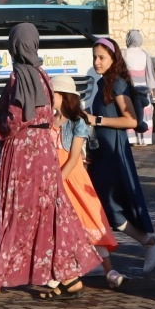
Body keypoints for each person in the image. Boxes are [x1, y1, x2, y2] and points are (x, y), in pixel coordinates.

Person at [0, 25, 102, 299]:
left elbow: (15, 120)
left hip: (19, 155)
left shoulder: (18, 78)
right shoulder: (43, 76)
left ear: (14, 46)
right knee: (47, 212)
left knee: (9, 212)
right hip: (44, 153)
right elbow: (47, 114)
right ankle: (70, 277)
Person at [87, 36, 155, 273]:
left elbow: (131, 119)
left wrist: (97, 120)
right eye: (94, 57)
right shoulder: (103, 84)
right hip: (101, 153)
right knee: (99, 206)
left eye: (102, 57)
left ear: (114, 58)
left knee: (111, 207)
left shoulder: (118, 84)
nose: (97, 62)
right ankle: (100, 260)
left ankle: (150, 242)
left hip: (113, 153)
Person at [51, 73, 122, 287]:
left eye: (51, 93)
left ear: (63, 95)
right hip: (55, 176)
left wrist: (58, 180)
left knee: (88, 218)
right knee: (59, 225)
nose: (47, 97)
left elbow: (74, 157)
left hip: (72, 178)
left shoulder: (77, 122)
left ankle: (109, 270)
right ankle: (63, 272)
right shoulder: (48, 121)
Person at [124, 30, 155, 146]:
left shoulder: (124, 53)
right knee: (144, 113)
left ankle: (132, 139)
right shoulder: (144, 54)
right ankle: (145, 139)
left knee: (131, 112)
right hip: (144, 88)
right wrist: (151, 88)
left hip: (129, 88)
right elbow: (149, 73)